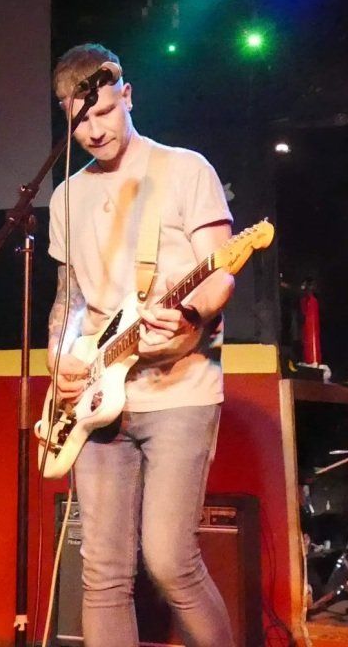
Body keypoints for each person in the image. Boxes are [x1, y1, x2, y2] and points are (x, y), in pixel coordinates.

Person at [46, 43, 237, 647]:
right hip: (97, 398)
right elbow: (68, 300)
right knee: (102, 574)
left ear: (127, 95)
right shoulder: (66, 196)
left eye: (105, 111)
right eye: (80, 121)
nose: (95, 130)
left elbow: (222, 270)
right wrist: (60, 359)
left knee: (169, 560)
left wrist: (190, 314)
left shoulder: (185, 169)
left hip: (180, 390)